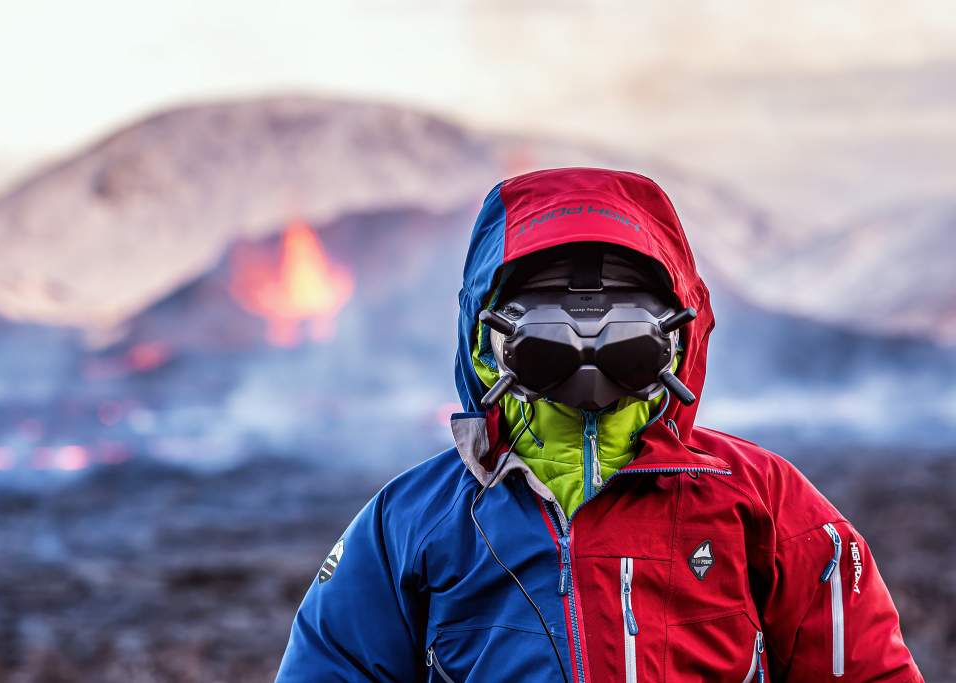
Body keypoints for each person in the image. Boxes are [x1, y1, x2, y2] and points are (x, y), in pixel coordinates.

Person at [275, 168, 922, 682]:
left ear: (679, 329)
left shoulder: (765, 503)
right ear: (486, 336)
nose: (589, 335)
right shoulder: (414, 522)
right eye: (551, 306)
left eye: (623, 307)